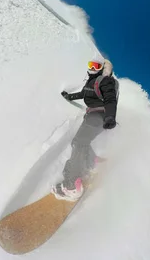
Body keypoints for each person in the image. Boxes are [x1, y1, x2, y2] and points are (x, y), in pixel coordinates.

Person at [52, 57, 118, 201]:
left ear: (102, 68)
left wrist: (110, 117)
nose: (92, 68)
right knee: (82, 142)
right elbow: (83, 94)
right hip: (91, 116)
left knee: (78, 143)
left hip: (99, 116)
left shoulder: (106, 81)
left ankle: (72, 186)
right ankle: (91, 162)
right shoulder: (91, 82)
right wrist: (69, 96)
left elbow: (110, 99)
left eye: (96, 66)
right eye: (91, 65)